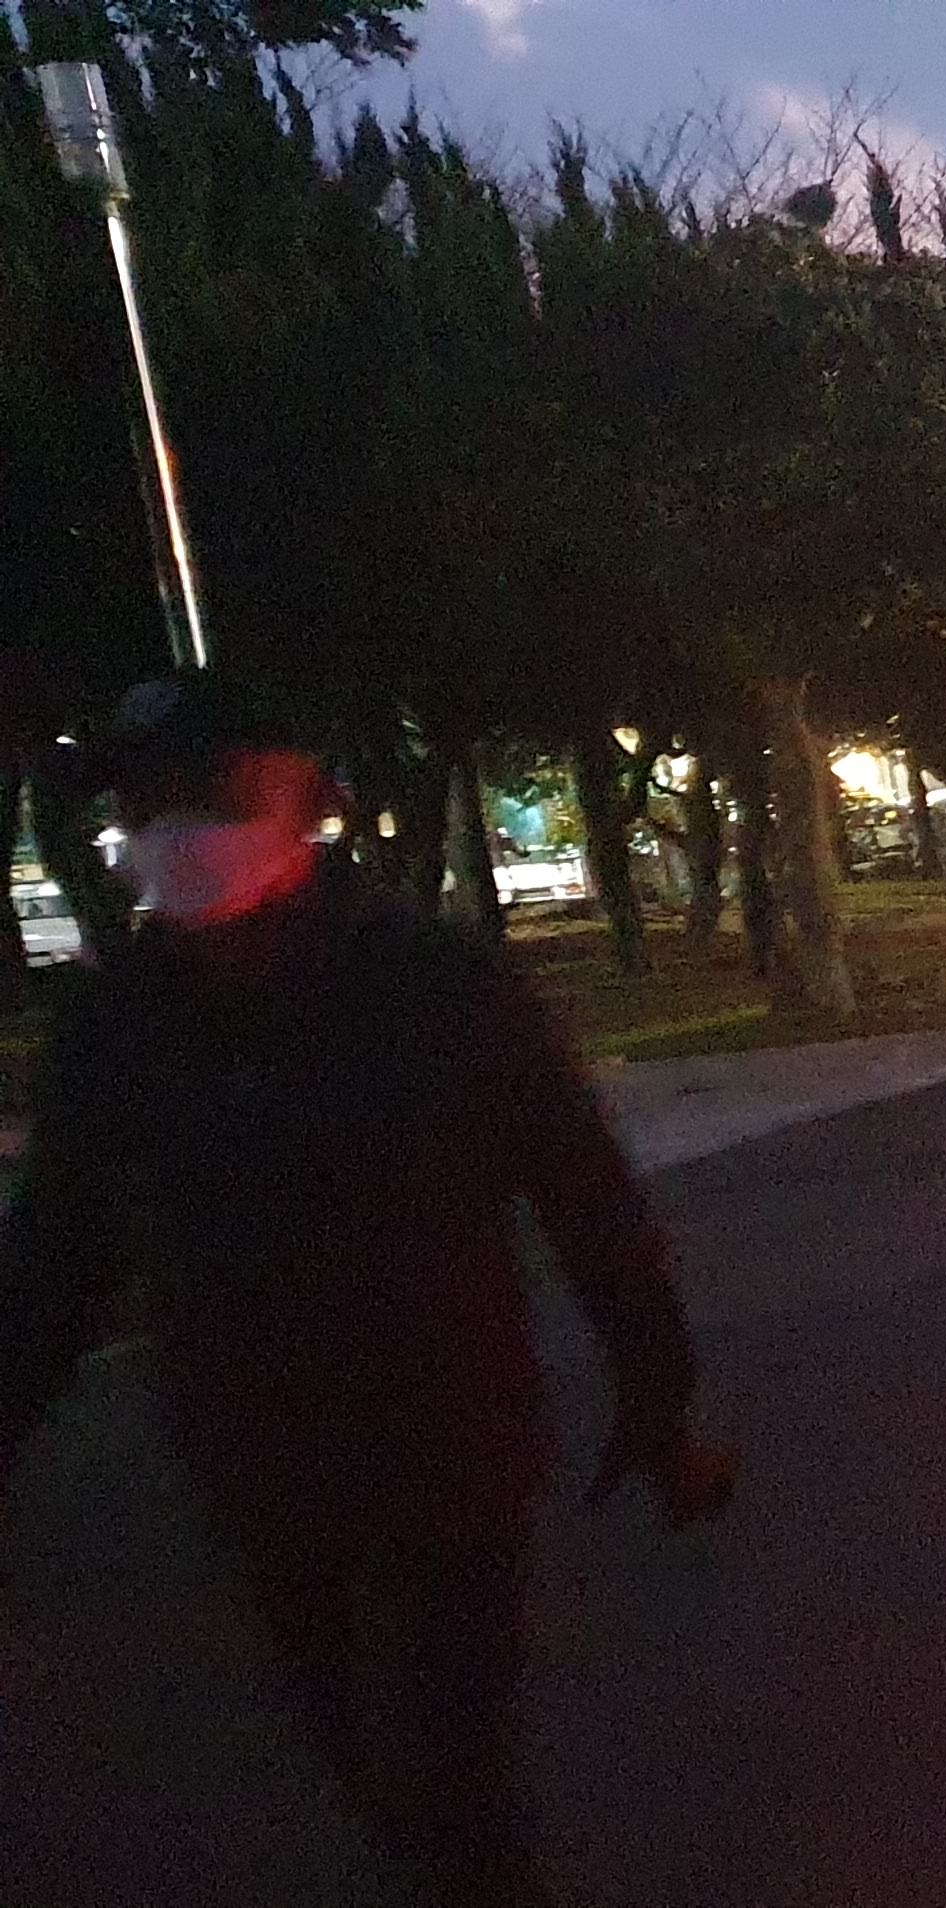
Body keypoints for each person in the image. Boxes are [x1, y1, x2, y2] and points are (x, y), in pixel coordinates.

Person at [0, 673, 729, 1908]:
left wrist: (658, 1396)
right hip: (260, 1467)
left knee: (457, 1785)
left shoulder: (436, 986)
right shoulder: (115, 1025)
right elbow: (56, 1261)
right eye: (148, 803)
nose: (179, 828)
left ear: (311, 801)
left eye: (213, 792)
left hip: (450, 1449)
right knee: (364, 1770)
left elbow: (585, 1195)